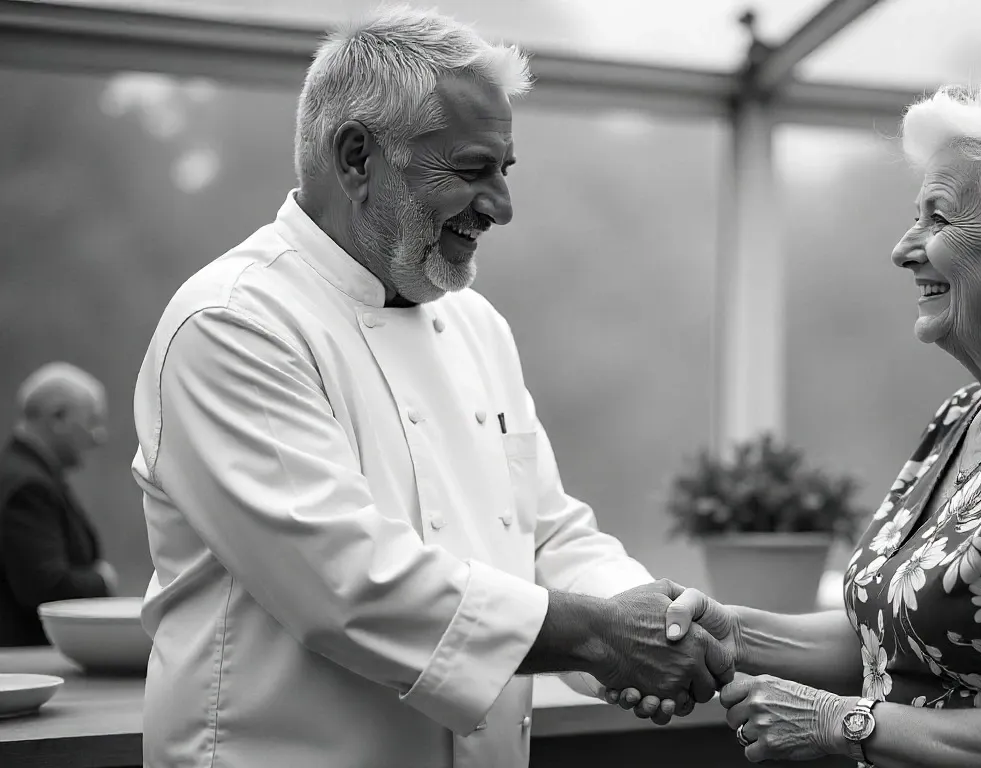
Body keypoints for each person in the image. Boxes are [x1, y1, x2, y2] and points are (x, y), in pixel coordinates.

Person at [130, 9, 729, 768]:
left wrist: (657, 617)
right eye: (473, 169)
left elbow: (545, 533)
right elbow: (346, 583)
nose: (501, 206)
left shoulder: (477, 325)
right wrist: (604, 636)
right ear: (357, 158)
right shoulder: (234, 322)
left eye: (505, 172)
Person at [605, 75, 981, 768]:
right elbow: (887, 636)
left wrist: (841, 724)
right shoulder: (966, 417)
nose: (904, 247)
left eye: (938, 219)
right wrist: (731, 633)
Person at [0, 362, 115, 647]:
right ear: (58, 417)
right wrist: (102, 580)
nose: (98, 436)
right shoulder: (28, 487)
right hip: (26, 665)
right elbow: (44, 588)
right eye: (92, 421)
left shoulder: (20, 473)